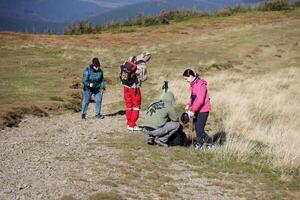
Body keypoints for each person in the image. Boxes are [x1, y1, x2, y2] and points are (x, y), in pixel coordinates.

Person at [183, 69, 213, 150]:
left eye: (186, 79)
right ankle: (199, 144)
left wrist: (192, 110)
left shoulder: (200, 84)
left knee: (199, 129)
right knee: (197, 128)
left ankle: (210, 142)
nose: (186, 81)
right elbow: (194, 98)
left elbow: (200, 100)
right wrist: (189, 104)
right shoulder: (193, 84)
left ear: (191, 76)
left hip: (203, 110)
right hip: (197, 109)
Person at [121, 51, 151, 131]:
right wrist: (146, 77)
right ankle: (132, 125)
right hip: (134, 87)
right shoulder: (143, 64)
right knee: (136, 106)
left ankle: (129, 122)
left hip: (126, 85)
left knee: (128, 105)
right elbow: (142, 78)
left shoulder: (131, 57)